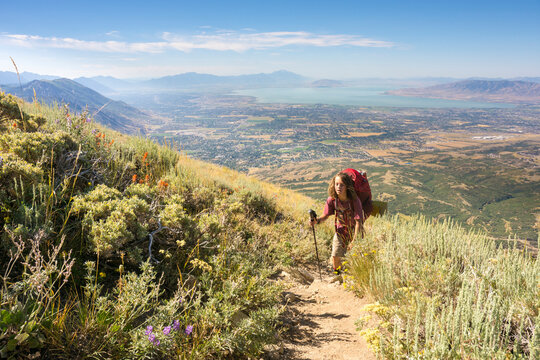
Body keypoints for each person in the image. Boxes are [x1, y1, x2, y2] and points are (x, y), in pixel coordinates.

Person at [310, 171, 364, 276]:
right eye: (336, 184)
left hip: (354, 232)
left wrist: (354, 240)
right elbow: (325, 215)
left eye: (342, 185)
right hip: (340, 231)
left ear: (347, 186)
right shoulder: (332, 200)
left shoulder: (355, 200)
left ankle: (353, 277)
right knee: (335, 255)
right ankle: (337, 275)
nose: (338, 187)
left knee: (354, 257)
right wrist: (316, 221)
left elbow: (358, 222)